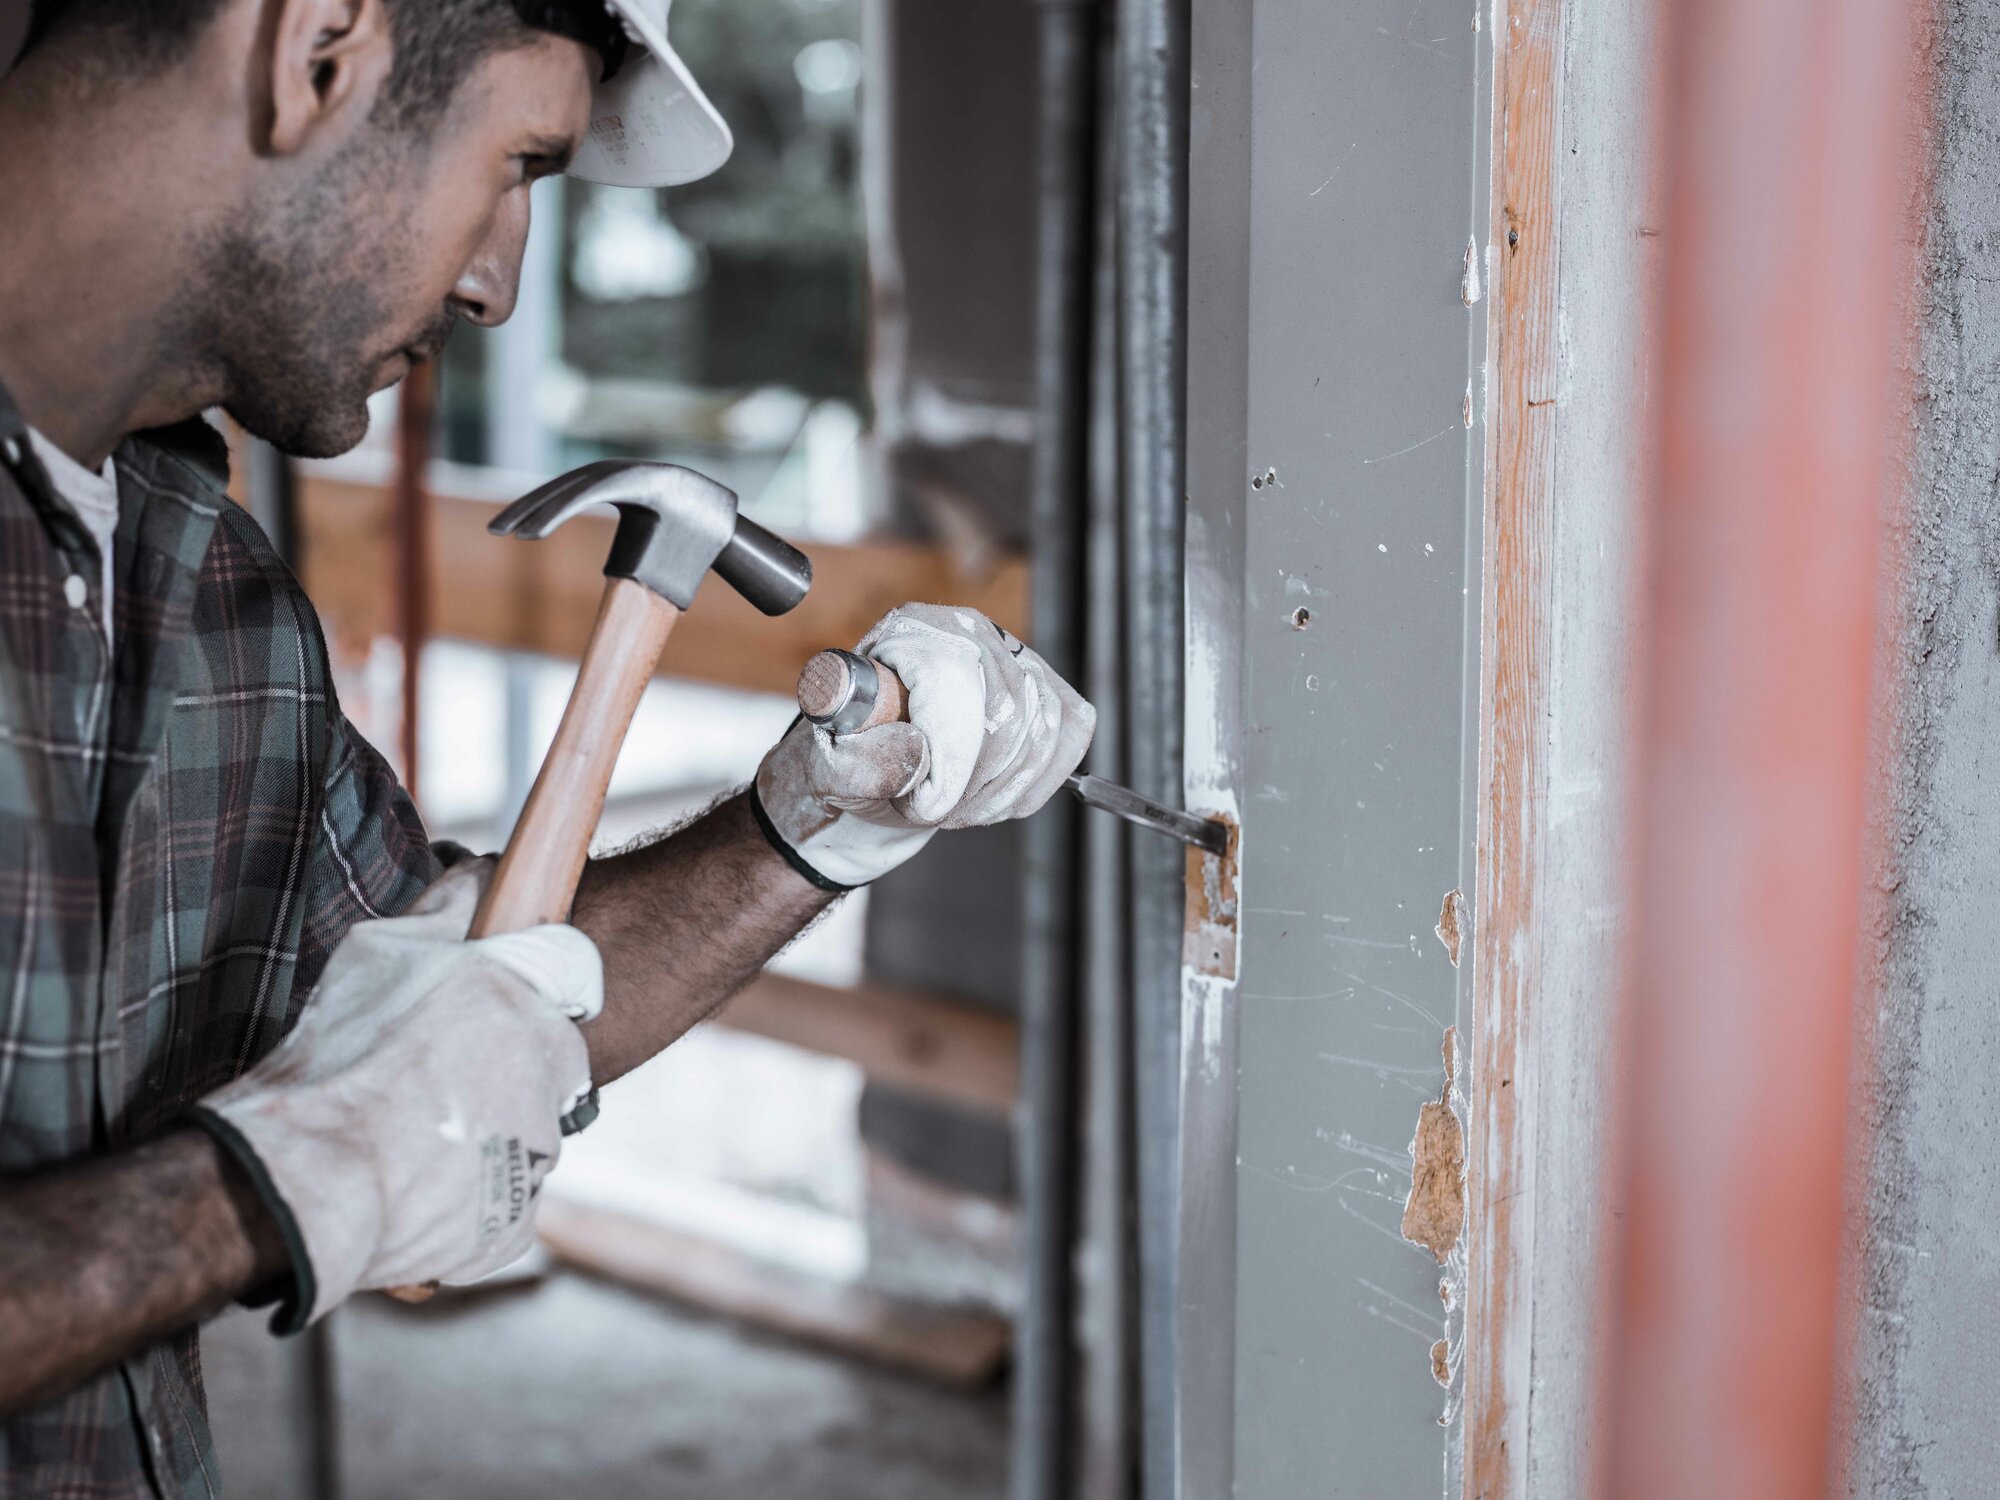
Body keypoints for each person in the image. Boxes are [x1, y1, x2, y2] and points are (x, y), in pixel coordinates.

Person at [0, 1, 1094, 1493]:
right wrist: (256, 1196)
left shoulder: (210, 596)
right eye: (518, 161)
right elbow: (344, 1137)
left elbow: (481, 1004)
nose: (504, 281)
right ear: (314, 47)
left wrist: (811, 822)